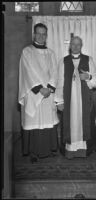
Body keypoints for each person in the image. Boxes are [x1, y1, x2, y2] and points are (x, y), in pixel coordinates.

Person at [18, 23, 59, 163]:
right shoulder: (27, 51)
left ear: (46, 36)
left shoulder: (51, 53)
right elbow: (27, 72)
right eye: (39, 33)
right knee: (35, 121)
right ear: (34, 34)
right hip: (33, 92)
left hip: (48, 92)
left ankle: (49, 149)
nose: (41, 36)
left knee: (48, 121)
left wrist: (50, 88)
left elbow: (55, 72)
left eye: (44, 34)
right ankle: (34, 152)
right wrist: (39, 89)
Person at [55, 36, 96, 159]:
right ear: (70, 46)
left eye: (78, 44)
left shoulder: (89, 60)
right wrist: (59, 101)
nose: (75, 46)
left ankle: (83, 151)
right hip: (68, 101)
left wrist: (88, 77)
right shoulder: (63, 61)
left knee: (84, 123)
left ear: (81, 45)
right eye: (73, 44)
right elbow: (59, 83)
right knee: (70, 123)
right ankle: (70, 151)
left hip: (84, 101)